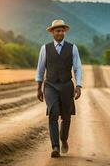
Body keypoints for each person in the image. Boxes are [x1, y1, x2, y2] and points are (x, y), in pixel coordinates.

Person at [35, 19, 82, 158]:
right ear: (52, 33)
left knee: (66, 116)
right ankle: (55, 146)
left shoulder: (72, 48)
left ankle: (63, 139)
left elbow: (77, 68)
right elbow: (40, 69)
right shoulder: (45, 48)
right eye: (57, 30)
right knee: (53, 112)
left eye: (62, 30)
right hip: (50, 85)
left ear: (64, 32)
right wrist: (39, 88)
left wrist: (78, 85)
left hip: (67, 85)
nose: (60, 33)